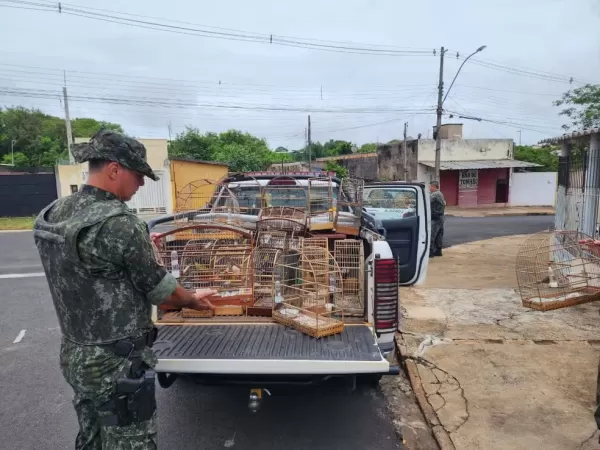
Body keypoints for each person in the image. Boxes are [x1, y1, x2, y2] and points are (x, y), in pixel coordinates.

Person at [33, 130, 217, 449]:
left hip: (76, 353)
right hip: (116, 364)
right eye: (138, 175)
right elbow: (161, 291)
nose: (142, 184)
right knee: (131, 440)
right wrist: (192, 299)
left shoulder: (52, 213)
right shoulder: (119, 223)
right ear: (114, 170)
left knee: (91, 436)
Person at [429, 180, 446, 257]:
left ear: (433, 186)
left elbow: (426, 201)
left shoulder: (435, 194)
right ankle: (438, 251)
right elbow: (445, 203)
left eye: (430, 186)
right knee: (439, 234)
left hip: (436, 217)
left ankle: (431, 252)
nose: (429, 188)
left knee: (432, 234)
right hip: (440, 216)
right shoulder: (440, 193)